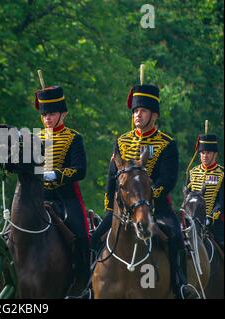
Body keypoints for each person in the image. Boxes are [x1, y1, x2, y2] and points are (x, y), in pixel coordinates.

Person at [90, 83, 200, 299]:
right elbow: (112, 176)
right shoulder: (122, 141)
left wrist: (146, 198)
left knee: (175, 237)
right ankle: (88, 286)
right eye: (135, 111)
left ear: (154, 115)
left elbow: (168, 179)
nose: (137, 115)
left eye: (142, 111)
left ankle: (180, 285)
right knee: (94, 239)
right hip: (122, 208)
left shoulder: (166, 143)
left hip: (156, 207)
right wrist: (109, 207)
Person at [35, 85, 90, 296]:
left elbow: (80, 170)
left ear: (63, 114)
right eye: (44, 114)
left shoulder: (74, 138)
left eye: (51, 113)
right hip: (39, 199)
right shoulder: (34, 138)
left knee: (82, 236)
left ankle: (83, 283)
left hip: (66, 198)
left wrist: (56, 174)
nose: (47, 118)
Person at [187, 133, 224, 249]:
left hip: (214, 223)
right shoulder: (192, 172)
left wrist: (211, 218)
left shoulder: (221, 173)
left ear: (215, 154)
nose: (205, 156)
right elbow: (187, 197)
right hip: (193, 222)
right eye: (202, 153)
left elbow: (221, 202)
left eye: (208, 153)